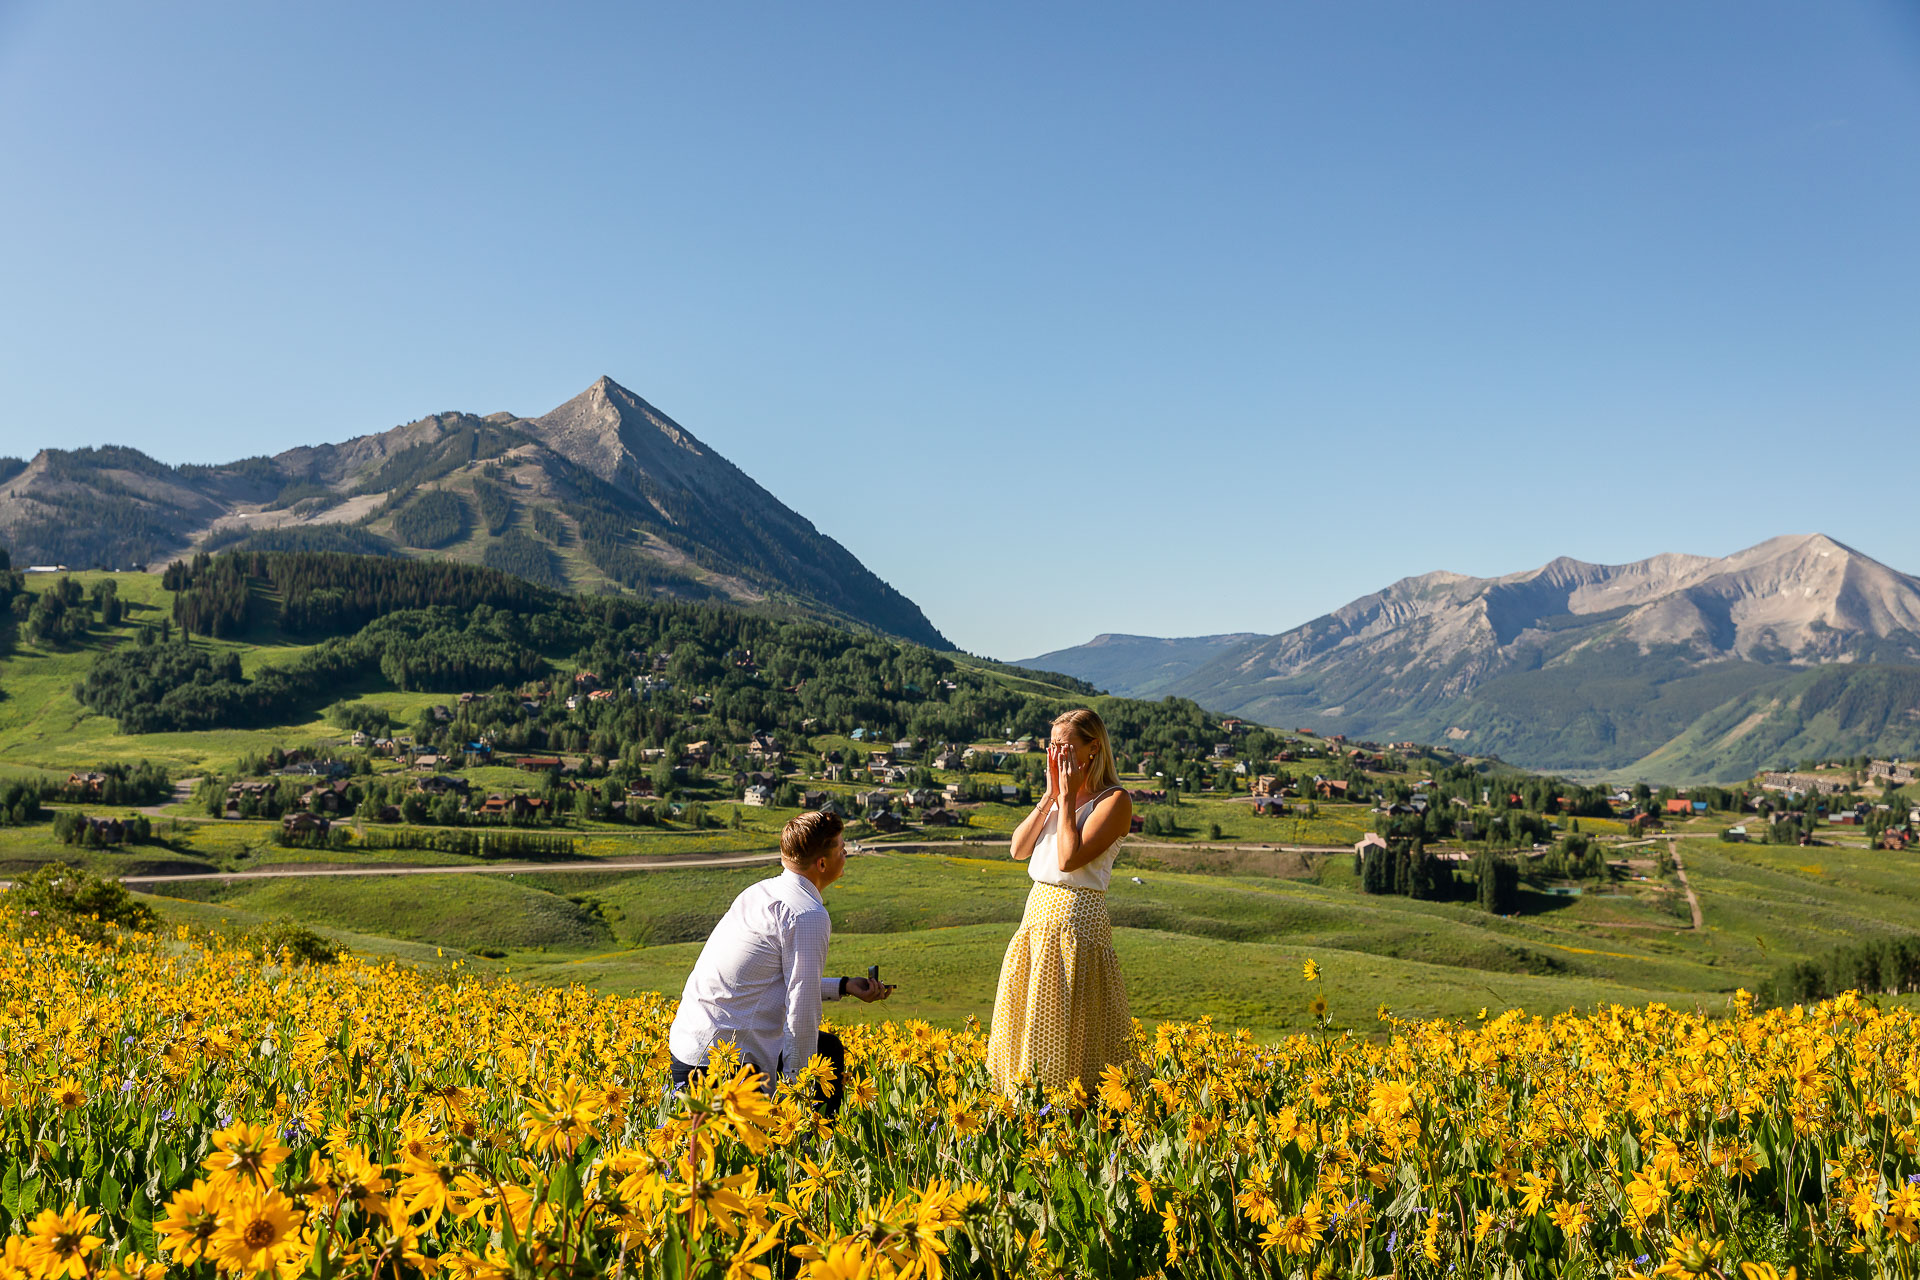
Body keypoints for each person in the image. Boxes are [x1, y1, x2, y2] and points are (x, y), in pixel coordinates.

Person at [668, 810, 889, 1116]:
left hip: (690, 1049)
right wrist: (798, 1094)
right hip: (722, 1069)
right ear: (822, 864)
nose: (846, 853)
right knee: (758, 1151)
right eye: (841, 848)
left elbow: (763, 980)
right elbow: (801, 1010)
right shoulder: (806, 914)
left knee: (827, 1049)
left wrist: (843, 986)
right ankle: (809, 1147)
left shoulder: (760, 892)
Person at [986, 707, 1134, 1098]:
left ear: (1093, 749)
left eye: (1066, 747)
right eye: (1052, 747)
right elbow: (1018, 849)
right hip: (1036, 920)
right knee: (1030, 1022)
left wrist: (1066, 798)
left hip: (1076, 925)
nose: (1058, 756)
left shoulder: (1114, 801)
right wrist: (1051, 795)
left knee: (1074, 1029)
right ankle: (1024, 1108)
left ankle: (1072, 1115)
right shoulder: (1057, 798)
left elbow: (1069, 859)